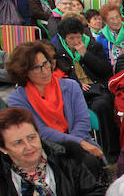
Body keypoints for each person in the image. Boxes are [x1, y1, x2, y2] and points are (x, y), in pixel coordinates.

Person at [6, 41, 105, 163]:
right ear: (24, 71)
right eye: (36, 68)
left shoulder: (71, 86)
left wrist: (77, 145)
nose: (45, 71)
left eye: (45, 64)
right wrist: (78, 143)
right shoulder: (17, 99)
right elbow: (39, 131)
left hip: (80, 142)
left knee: (90, 162)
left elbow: (82, 120)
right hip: (45, 149)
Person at [51, 17, 118, 157]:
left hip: (96, 88)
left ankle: (110, 150)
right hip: (71, 91)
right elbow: (57, 75)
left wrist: (85, 55)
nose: (76, 42)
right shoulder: (57, 51)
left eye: (78, 37)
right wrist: (75, 83)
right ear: (64, 38)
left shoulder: (93, 46)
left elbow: (105, 70)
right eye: (71, 38)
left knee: (102, 105)